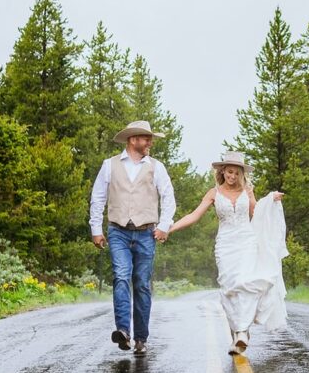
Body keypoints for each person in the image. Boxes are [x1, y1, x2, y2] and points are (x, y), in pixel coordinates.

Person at [167, 151, 288, 355]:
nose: (232, 176)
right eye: (229, 172)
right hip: (225, 244)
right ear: (222, 171)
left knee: (244, 282)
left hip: (246, 241)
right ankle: (237, 334)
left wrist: (270, 200)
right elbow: (194, 216)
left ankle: (242, 331)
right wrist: (169, 228)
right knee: (229, 288)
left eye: (236, 173)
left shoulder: (247, 190)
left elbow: (256, 213)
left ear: (242, 173)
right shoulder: (213, 193)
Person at [89, 120, 176, 357]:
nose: (150, 142)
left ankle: (141, 338)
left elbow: (168, 197)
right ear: (132, 140)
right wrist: (96, 229)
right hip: (118, 230)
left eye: (150, 138)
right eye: (145, 138)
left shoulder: (156, 167)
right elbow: (98, 198)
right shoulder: (109, 165)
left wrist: (164, 226)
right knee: (121, 276)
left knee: (141, 284)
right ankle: (123, 331)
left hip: (146, 232)